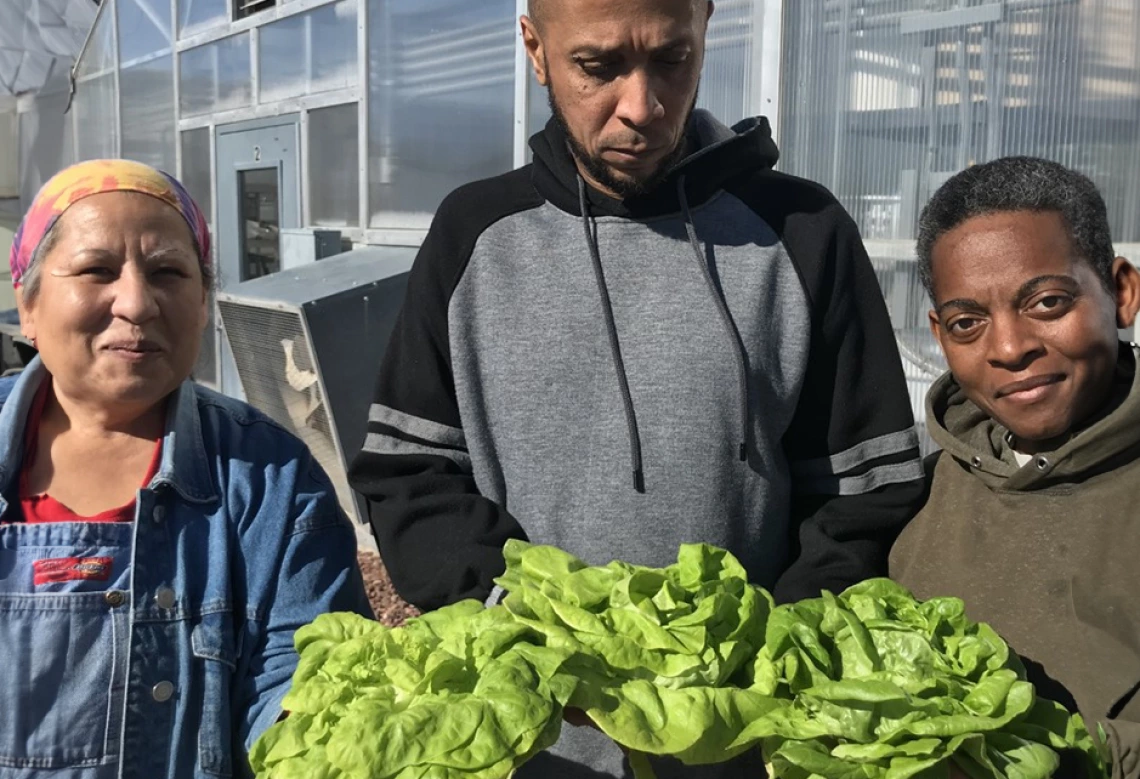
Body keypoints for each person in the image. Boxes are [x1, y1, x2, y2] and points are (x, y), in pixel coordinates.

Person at [350, 0, 925, 775]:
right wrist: (527, 633)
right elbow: (410, 477)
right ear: (535, 47)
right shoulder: (474, 236)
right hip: (540, 743)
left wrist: (766, 662)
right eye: (599, 66)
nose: (642, 106)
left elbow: (865, 490)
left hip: (749, 741)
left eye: (672, 59)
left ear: (705, 30)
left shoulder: (802, 232)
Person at [0, 159, 372, 779]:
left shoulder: (271, 478)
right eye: (96, 270)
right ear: (29, 305)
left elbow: (306, 678)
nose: (137, 302)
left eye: (169, 271)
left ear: (202, 304)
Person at [890, 157, 1140, 779]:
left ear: (1122, 292)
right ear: (939, 333)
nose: (1009, 348)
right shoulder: (916, 499)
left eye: (1047, 302)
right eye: (967, 322)